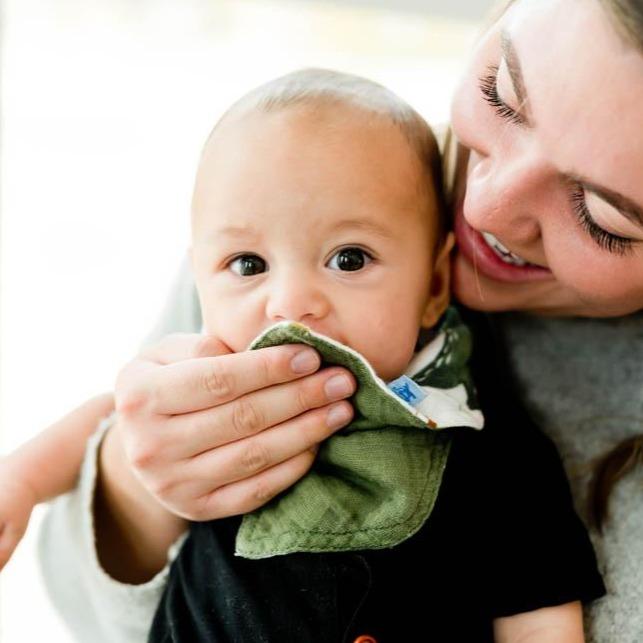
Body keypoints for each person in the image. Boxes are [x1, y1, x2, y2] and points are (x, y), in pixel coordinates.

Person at [30, 0, 643, 641]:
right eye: (504, 93)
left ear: (430, 284)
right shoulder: (301, 190)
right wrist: (132, 480)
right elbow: (85, 583)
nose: (484, 208)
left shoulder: (497, 454)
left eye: (602, 216)